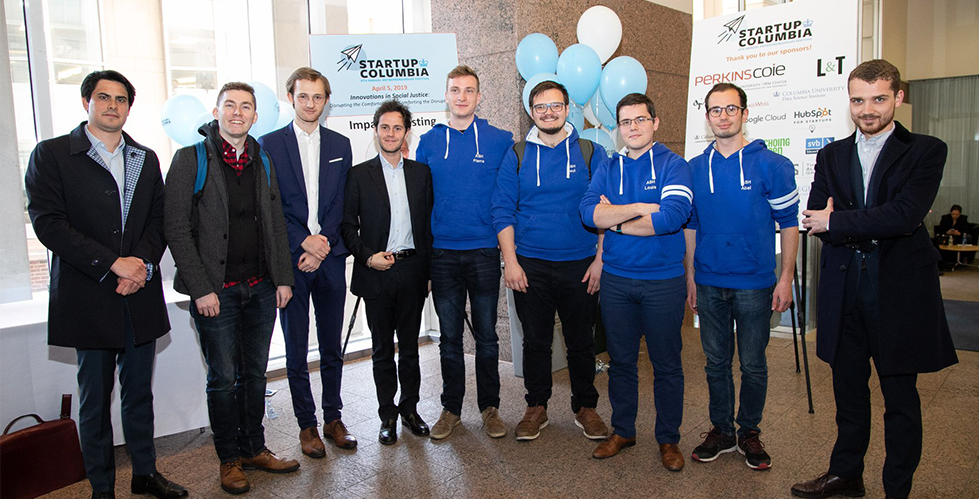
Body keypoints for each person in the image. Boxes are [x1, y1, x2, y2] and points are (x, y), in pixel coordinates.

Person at [793, 59, 958, 499]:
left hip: (898, 293)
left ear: (898, 98)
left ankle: (896, 490)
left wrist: (840, 222)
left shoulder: (926, 149)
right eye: (858, 100)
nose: (868, 110)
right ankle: (845, 475)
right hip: (843, 290)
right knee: (848, 395)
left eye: (879, 99)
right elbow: (813, 216)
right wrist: (851, 221)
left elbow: (904, 216)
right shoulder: (830, 154)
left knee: (900, 401)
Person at [25, 70, 187, 499]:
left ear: (129, 107)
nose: (112, 105)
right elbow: (48, 224)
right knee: (94, 403)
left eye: (121, 99)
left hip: (138, 294)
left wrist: (141, 268)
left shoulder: (145, 157)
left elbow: (159, 221)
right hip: (89, 294)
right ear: (86, 103)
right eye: (103, 98)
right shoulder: (53, 154)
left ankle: (145, 474)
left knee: (139, 396)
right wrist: (113, 263)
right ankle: (102, 488)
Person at [164, 82, 297, 494]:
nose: (238, 113)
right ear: (217, 111)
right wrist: (201, 288)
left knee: (255, 374)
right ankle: (228, 459)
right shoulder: (191, 159)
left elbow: (275, 222)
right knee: (223, 378)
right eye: (230, 106)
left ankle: (254, 447)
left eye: (246, 107)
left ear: (256, 116)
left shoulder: (262, 159)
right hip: (215, 292)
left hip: (259, 288)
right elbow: (176, 228)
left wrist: (284, 277)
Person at [684, 82, 799, 471]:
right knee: (716, 363)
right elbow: (691, 227)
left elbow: (789, 224)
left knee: (753, 364)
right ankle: (722, 430)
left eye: (731, 109)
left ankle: (749, 430)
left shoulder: (773, 165)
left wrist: (786, 278)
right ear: (708, 117)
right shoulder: (695, 168)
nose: (723, 116)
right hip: (710, 282)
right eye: (715, 110)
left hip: (755, 283)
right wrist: (690, 278)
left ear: (745, 113)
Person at [579, 93, 692, 471]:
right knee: (621, 362)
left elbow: (672, 217)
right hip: (617, 282)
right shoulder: (608, 166)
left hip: (663, 282)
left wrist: (616, 220)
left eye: (640, 120)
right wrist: (643, 208)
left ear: (655, 123)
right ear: (618, 128)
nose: (633, 127)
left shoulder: (676, 166)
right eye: (626, 122)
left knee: (667, 365)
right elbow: (589, 212)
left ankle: (668, 439)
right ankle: (623, 430)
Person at [491, 80, 609, 442]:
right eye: (540, 107)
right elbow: (502, 210)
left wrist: (601, 260)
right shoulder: (518, 154)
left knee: (581, 341)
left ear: (567, 106)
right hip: (530, 265)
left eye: (555, 105)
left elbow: (607, 208)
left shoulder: (591, 151)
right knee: (536, 342)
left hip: (581, 263)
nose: (548, 112)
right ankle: (536, 406)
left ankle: (585, 407)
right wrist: (510, 262)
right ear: (531, 112)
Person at [258, 67, 357, 457]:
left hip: (330, 259)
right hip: (291, 260)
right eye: (303, 96)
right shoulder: (269, 144)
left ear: (326, 100)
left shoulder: (341, 143)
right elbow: (271, 206)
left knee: (332, 345)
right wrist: (304, 242)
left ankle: (333, 417)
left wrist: (323, 245)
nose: (311, 103)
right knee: (296, 348)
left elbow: (341, 205)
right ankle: (307, 425)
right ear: (291, 98)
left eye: (318, 97)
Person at [415, 65, 514, 440]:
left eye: (469, 90)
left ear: (478, 96)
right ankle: (451, 408)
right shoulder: (428, 142)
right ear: (446, 95)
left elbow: (509, 197)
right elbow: (419, 204)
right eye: (455, 90)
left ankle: (490, 408)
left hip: (485, 253)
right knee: (450, 338)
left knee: (487, 336)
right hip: (442, 256)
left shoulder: (499, 140)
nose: (461, 96)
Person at [340, 100, 433, 446]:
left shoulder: (421, 174)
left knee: (409, 348)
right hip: (377, 271)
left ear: (406, 132)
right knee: (382, 350)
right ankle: (387, 416)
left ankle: (409, 409)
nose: (391, 133)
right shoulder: (359, 175)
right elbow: (348, 227)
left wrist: (429, 274)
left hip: (412, 270)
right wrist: (367, 258)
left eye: (397, 128)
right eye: (384, 127)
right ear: (376, 130)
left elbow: (427, 227)